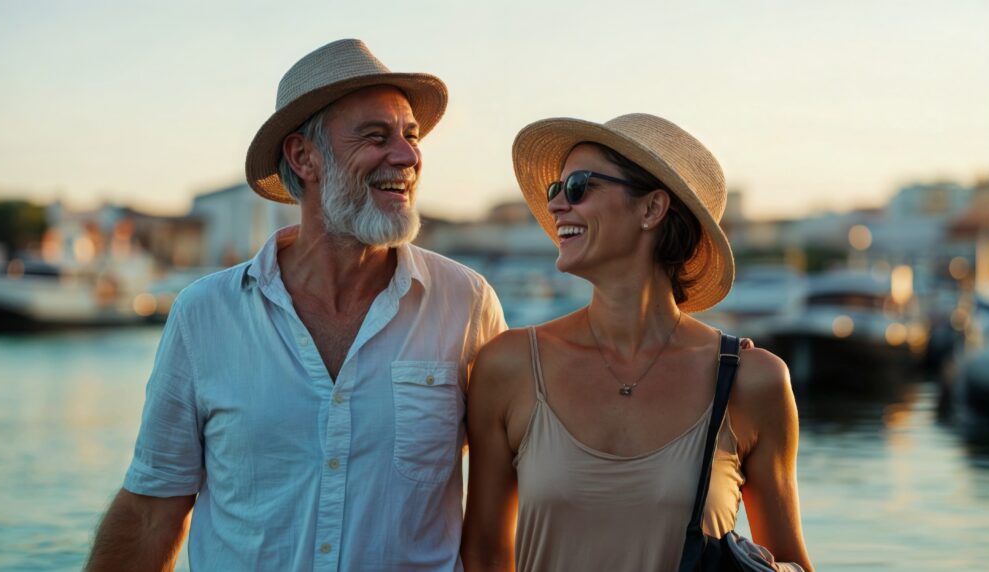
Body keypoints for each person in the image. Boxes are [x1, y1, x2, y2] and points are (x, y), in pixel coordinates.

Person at [87, 39, 506, 571]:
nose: (406, 156)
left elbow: (498, 512)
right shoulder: (204, 314)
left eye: (410, 136)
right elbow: (152, 512)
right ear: (303, 157)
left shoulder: (466, 304)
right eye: (376, 137)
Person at [461, 114, 813, 571]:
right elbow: (485, 554)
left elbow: (790, 561)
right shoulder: (508, 367)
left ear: (651, 209)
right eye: (555, 190)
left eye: (579, 187)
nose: (556, 207)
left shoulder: (753, 381)